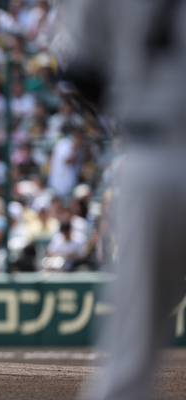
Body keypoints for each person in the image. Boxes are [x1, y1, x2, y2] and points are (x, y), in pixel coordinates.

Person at [66, 0, 186, 398]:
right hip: (152, 145)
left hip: (150, 152)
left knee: (130, 356)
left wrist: (133, 97)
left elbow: (79, 69)